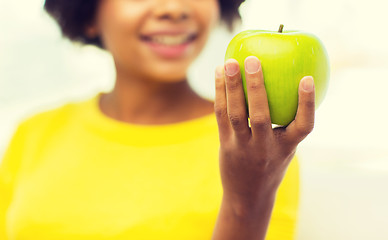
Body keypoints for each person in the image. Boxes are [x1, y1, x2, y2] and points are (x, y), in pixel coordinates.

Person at [0, 0, 315, 239]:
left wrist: (245, 201)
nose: (174, 8)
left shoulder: (257, 148)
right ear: (89, 14)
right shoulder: (34, 133)